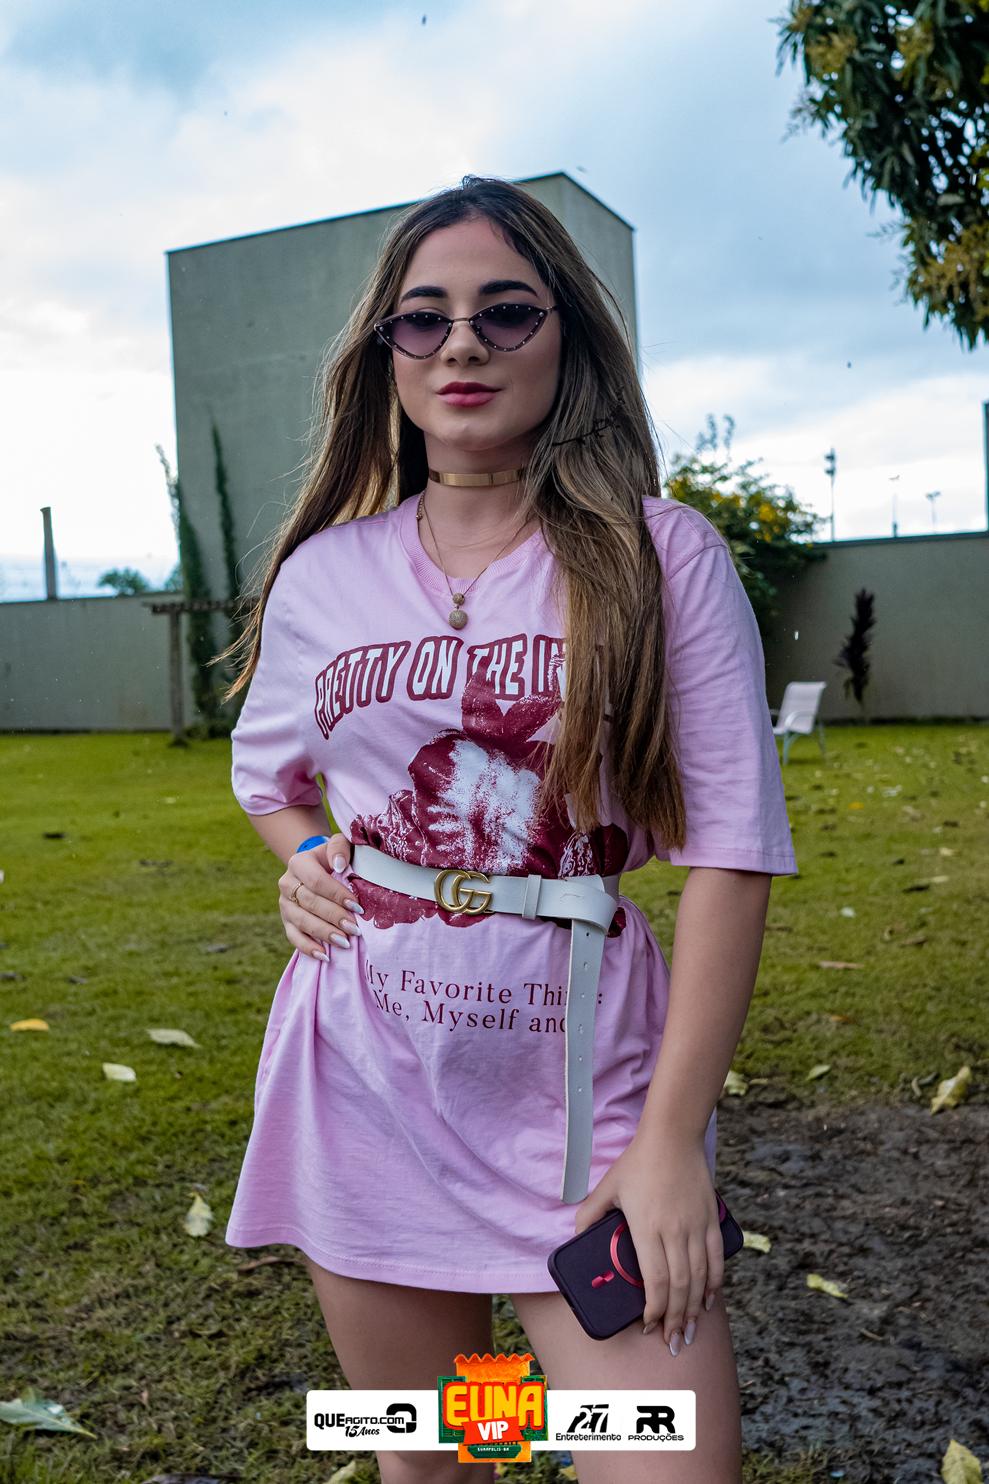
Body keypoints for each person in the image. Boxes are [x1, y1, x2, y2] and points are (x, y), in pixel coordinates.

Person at [218, 174, 797, 1484]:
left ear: (565, 336)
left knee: (667, 1461)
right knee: (426, 1456)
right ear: (387, 354)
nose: (462, 344)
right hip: (363, 1083)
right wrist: (307, 857)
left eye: (505, 311)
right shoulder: (323, 575)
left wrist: (668, 1143)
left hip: (586, 1107)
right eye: (423, 318)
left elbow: (731, 854)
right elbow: (270, 779)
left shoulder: (662, 557)